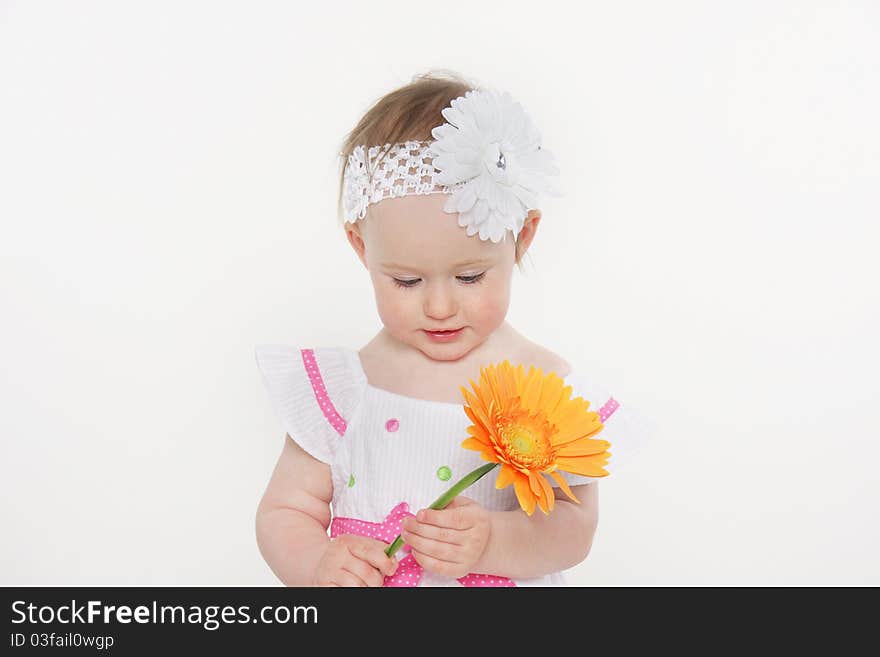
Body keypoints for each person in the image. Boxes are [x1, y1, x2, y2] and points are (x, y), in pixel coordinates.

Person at [254, 71, 651, 587]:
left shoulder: (544, 390)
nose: (439, 306)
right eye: (406, 280)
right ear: (362, 249)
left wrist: (493, 541)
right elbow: (285, 510)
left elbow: (573, 528)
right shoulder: (349, 388)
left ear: (521, 239)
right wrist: (315, 563)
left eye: (469, 276)